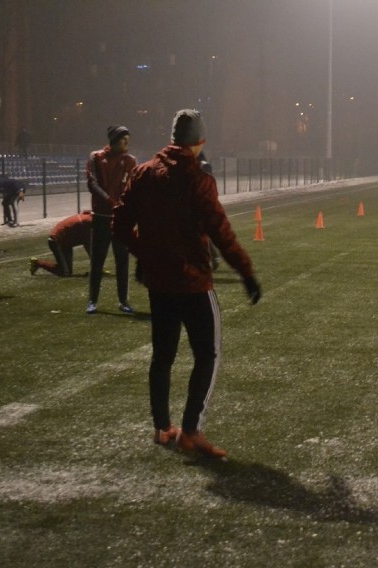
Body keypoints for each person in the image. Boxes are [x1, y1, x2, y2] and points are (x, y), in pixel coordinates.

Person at [112, 109, 261, 459]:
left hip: (159, 282)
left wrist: (145, 254)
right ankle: (191, 431)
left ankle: (162, 428)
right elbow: (221, 234)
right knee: (207, 354)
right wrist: (246, 272)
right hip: (193, 282)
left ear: (173, 138)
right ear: (200, 142)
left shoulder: (143, 173)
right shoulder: (197, 179)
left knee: (162, 356)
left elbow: (119, 225)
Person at [85, 125, 137, 314]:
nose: (127, 144)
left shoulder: (130, 160)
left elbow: (132, 186)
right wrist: (110, 201)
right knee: (97, 261)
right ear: (114, 141)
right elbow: (93, 183)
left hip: (122, 219)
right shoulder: (96, 157)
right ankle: (92, 301)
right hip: (101, 217)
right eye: (123, 140)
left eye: (128, 140)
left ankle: (124, 301)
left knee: (122, 261)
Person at [30, 211, 93, 277]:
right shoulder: (87, 223)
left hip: (65, 242)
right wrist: (96, 268)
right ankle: (37, 263)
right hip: (56, 241)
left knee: (68, 271)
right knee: (65, 273)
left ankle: (38, 264)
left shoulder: (89, 218)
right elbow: (89, 246)